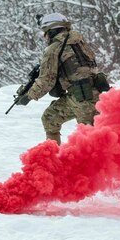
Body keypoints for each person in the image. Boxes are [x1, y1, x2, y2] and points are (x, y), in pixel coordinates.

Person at [16, 13, 103, 144]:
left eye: (45, 33)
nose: (44, 37)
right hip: (98, 95)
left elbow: (46, 81)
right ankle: (54, 156)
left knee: (90, 144)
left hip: (81, 100)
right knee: (50, 118)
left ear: (51, 30)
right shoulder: (80, 42)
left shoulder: (53, 49)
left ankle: (55, 158)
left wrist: (27, 96)